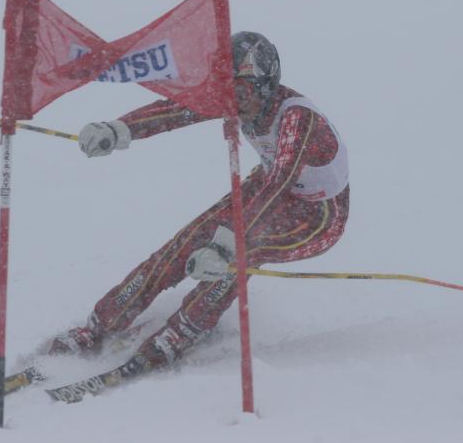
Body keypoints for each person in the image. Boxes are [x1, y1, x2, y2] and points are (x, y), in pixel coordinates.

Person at [50, 31, 350, 372]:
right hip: (266, 186)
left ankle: (182, 332)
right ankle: (102, 323)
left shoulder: (297, 118)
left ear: (265, 85)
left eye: (242, 91)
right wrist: (120, 129)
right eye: (227, 90)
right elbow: (177, 111)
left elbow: (280, 182)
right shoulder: (239, 99)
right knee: (189, 239)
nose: (234, 101)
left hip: (317, 215)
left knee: (242, 251)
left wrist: (226, 245)